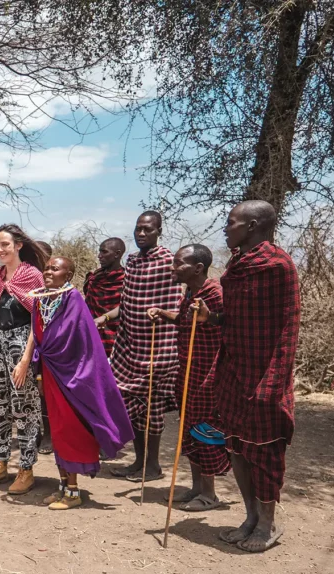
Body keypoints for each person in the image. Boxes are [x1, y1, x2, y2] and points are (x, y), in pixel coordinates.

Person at [195, 201, 300, 553]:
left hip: (265, 373)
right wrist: (212, 318)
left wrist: (275, 381)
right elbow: (236, 320)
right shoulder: (238, 265)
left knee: (265, 450)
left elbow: (284, 329)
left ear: (253, 225)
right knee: (237, 445)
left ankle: (268, 525)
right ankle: (251, 517)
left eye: (232, 223)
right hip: (234, 369)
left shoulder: (276, 265)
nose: (226, 229)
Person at [21, 256, 134, 508]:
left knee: (70, 430)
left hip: (72, 377)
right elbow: (40, 337)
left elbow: (76, 340)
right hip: (50, 374)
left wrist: (49, 355)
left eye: (56, 268)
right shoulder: (41, 299)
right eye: (47, 267)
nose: (49, 271)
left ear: (68, 275)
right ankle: (62, 485)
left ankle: (73, 492)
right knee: (58, 431)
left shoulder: (73, 300)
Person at [102, 211, 183, 482]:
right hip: (128, 346)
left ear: (159, 230)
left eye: (147, 229)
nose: (141, 234)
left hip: (158, 349)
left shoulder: (170, 262)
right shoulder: (133, 262)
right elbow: (127, 304)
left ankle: (153, 466)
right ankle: (138, 461)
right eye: (138, 229)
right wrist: (103, 317)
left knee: (152, 407)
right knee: (129, 405)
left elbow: (177, 302)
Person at [148, 244, 229, 511]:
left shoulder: (214, 293)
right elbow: (186, 321)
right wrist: (163, 313)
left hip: (208, 375)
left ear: (197, 268)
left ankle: (209, 494)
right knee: (190, 429)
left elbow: (223, 324)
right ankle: (196, 488)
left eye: (178, 263)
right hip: (188, 372)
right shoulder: (191, 293)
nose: (173, 268)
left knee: (204, 430)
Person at [0, 224, 46, 494]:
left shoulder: (33, 275)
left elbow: (38, 320)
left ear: (18, 246)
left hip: (21, 344)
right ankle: (0, 464)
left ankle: (26, 469)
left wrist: (26, 360)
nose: (0, 250)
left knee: (24, 409)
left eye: (5, 244)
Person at [84, 237, 127, 356]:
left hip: (118, 337)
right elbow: (87, 306)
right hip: (92, 334)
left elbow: (126, 306)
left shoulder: (127, 279)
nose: (99, 256)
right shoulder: (94, 278)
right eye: (99, 251)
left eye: (104, 252)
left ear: (117, 254)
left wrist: (105, 317)